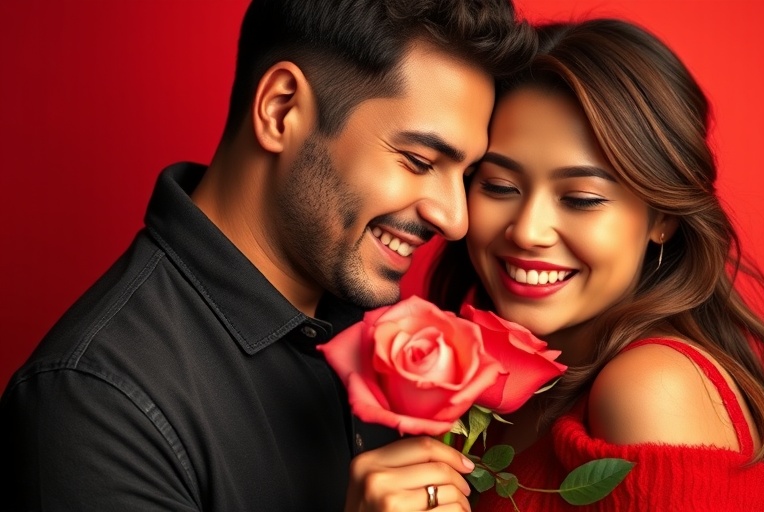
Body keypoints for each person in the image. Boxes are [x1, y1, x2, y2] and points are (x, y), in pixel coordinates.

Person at [0, 1, 536, 510]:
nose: (455, 219)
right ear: (281, 110)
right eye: (419, 160)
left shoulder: (372, 315)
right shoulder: (94, 403)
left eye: (465, 176)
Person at [428, 19, 764, 510]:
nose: (527, 230)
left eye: (583, 199)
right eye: (500, 187)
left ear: (662, 218)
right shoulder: (478, 382)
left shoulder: (649, 387)